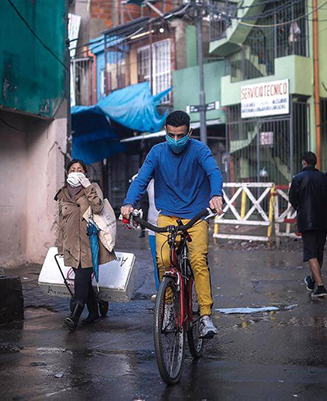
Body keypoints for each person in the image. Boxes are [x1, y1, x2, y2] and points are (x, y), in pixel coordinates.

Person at [121, 110, 224, 339]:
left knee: (198, 261)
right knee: (164, 260)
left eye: (180, 135)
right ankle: (168, 307)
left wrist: (216, 194)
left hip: (196, 215)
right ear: (165, 132)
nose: (176, 140)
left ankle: (205, 315)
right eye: (171, 135)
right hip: (167, 215)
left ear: (190, 132)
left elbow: (213, 172)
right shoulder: (157, 152)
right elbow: (142, 180)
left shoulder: (200, 150)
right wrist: (128, 203)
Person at [55, 159, 116, 331]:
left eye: (79, 169)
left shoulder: (92, 188)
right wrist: (61, 246)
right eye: (72, 169)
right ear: (67, 173)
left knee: (81, 278)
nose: (76, 171)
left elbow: (98, 208)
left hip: (90, 244)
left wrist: (88, 186)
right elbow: (61, 223)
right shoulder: (62, 193)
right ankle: (94, 312)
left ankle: (75, 314)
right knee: (84, 282)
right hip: (71, 245)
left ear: (85, 174)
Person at [289, 152, 327, 300]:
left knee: (311, 253)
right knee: (319, 252)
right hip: (322, 219)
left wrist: (300, 211)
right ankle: (313, 280)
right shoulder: (325, 178)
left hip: (306, 219)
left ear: (304, 162)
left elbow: (293, 199)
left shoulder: (298, 179)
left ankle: (320, 286)